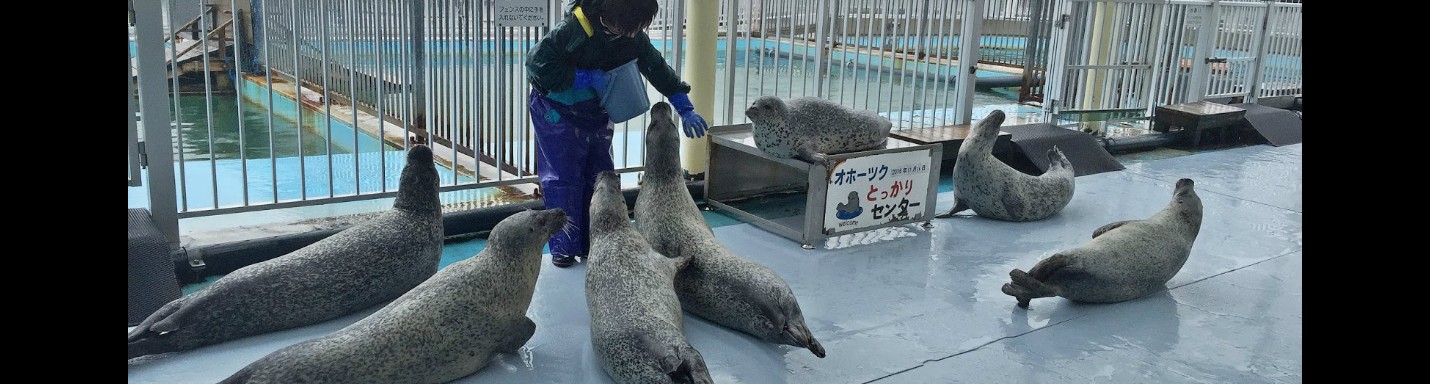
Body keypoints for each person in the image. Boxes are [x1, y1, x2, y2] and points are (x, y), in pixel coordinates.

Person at [525, 0, 709, 268]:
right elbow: (537, 65)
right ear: (608, 13)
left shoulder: (632, 36)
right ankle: (564, 246)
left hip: (594, 112)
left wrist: (684, 107)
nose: (633, 33)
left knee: (601, 176)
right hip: (557, 110)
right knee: (563, 177)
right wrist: (584, 78)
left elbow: (657, 68)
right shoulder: (574, 29)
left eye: (638, 27)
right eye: (628, 26)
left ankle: (596, 239)